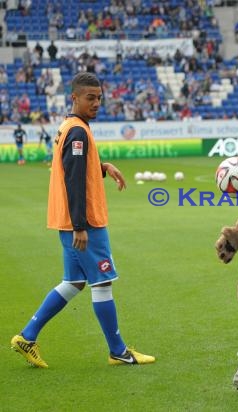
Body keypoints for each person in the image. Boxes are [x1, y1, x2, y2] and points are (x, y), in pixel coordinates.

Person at [11, 72, 155, 368]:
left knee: (73, 282)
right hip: (84, 222)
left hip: (67, 220)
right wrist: (80, 225)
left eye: (99, 98)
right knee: (102, 283)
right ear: (74, 97)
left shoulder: (71, 127)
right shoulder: (77, 131)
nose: (96, 103)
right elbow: (74, 180)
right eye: (90, 98)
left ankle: (27, 336)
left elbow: (74, 167)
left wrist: (102, 167)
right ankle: (118, 351)